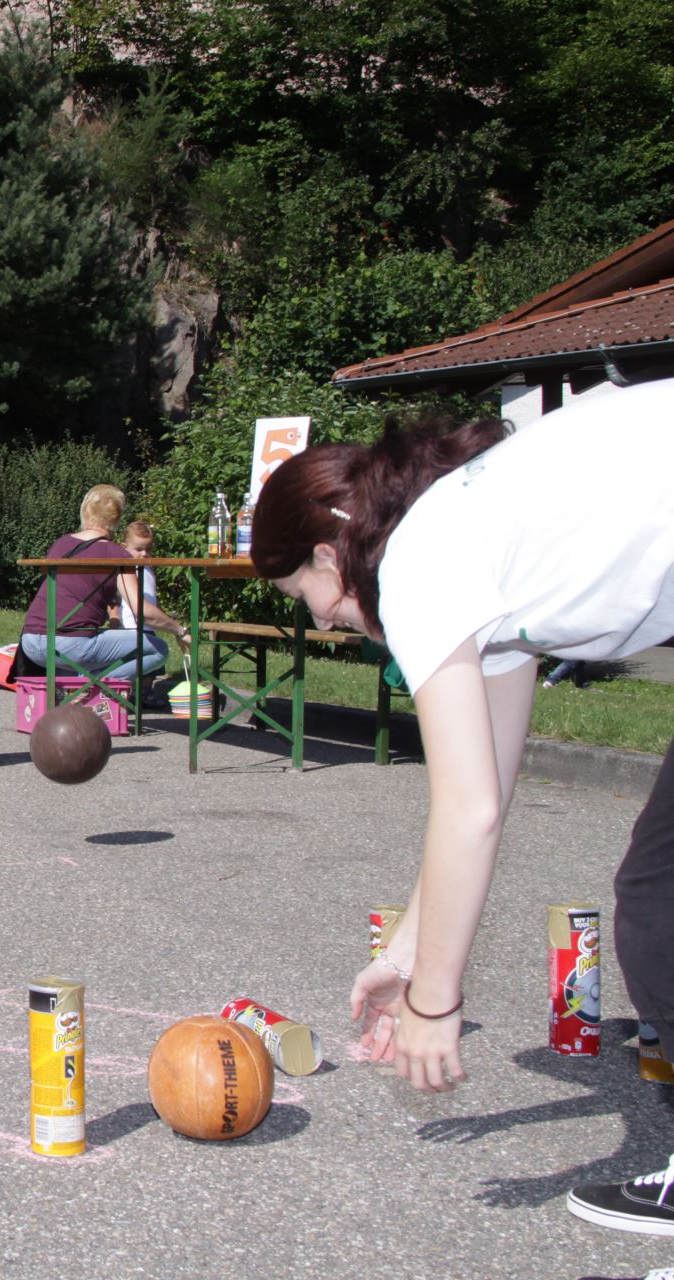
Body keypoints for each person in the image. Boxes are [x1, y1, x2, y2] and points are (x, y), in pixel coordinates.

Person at [249, 381, 674, 1235]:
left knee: (662, 903)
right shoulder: (461, 525)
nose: (330, 626)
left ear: (332, 557)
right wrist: (409, 952)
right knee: (659, 889)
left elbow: (470, 809)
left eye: (307, 599)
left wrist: (436, 1004)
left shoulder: (417, 564)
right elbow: (492, 784)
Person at [18, 486, 171, 685]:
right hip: (71, 644)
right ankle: (94, 688)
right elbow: (142, 612)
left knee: (82, 652)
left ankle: (78, 691)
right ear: (116, 519)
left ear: (85, 511)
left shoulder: (60, 544)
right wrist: (180, 631)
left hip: (31, 642)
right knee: (159, 649)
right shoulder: (116, 554)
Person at [115, 520, 191, 706]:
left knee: (152, 664)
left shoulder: (147, 568)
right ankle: (127, 691)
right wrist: (114, 618)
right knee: (135, 659)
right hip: (130, 625)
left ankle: (146, 691)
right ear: (124, 547)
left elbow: (150, 599)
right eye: (139, 549)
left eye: (148, 549)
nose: (144, 554)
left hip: (148, 624)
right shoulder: (125, 568)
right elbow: (115, 598)